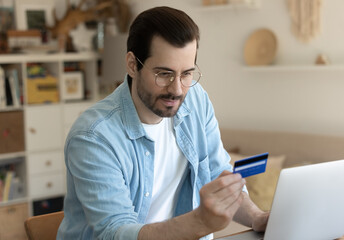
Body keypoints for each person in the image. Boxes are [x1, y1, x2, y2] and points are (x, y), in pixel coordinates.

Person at [57, 6, 269, 240]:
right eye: (164, 74)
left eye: (187, 73)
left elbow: (218, 173)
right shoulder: (94, 136)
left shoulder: (196, 99)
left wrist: (257, 217)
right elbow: (115, 232)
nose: (177, 90)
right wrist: (200, 221)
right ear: (131, 64)